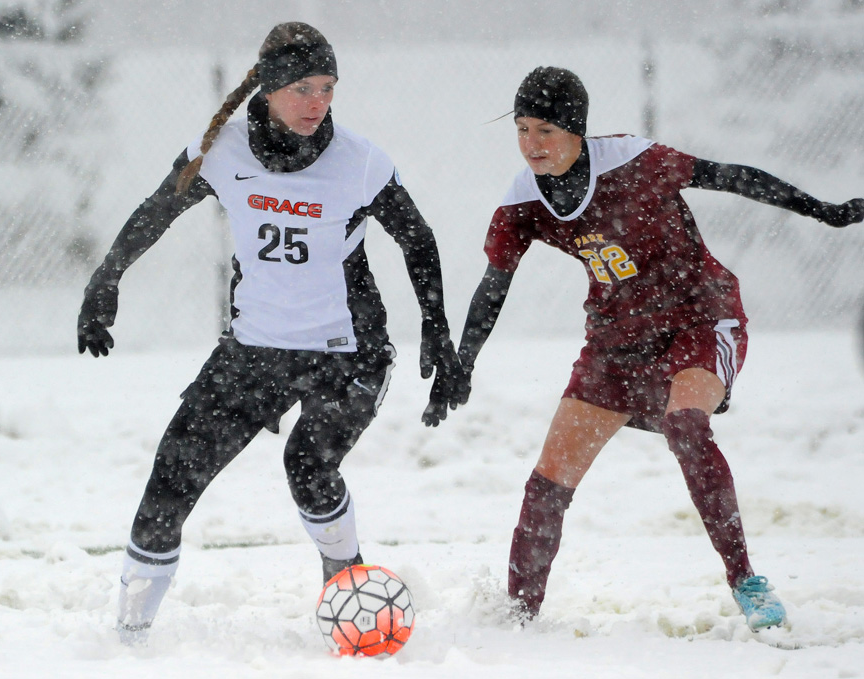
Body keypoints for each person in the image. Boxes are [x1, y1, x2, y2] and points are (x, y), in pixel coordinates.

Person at [431, 66, 864, 631]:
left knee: (686, 424)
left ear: (577, 130)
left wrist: (823, 212)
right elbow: (493, 286)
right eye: (521, 129)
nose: (531, 145)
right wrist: (463, 362)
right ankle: (518, 615)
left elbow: (729, 176)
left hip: (700, 321)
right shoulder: (524, 200)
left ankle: (746, 581)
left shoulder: (637, 161)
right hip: (616, 343)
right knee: (550, 476)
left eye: (545, 131)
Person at [77, 22, 464, 644]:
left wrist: (437, 331)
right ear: (269, 87)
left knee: (309, 465)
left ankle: (346, 581)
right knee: (167, 486)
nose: (318, 103)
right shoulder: (220, 151)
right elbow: (157, 209)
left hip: (348, 354)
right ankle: (126, 640)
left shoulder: (358, 162)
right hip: (254, 351)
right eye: (304, 88)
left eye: (329, 88)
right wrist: (106, 279)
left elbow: (417, 239)